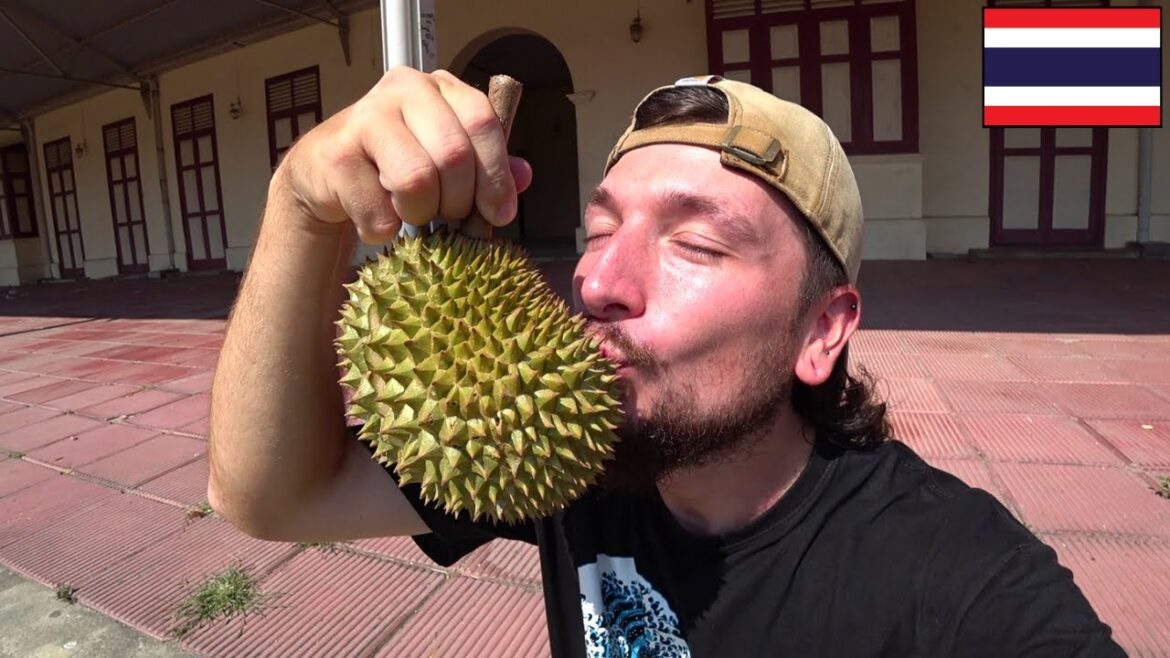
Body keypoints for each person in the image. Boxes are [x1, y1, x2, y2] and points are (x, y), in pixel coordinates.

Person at [208, 69, 1125, 657]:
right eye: (598, 229)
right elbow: (265, 498)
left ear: (821, 332)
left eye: (695, 244)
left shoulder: (953, 579)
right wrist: (301, 209)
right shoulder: (565, 459)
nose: (599, 280)